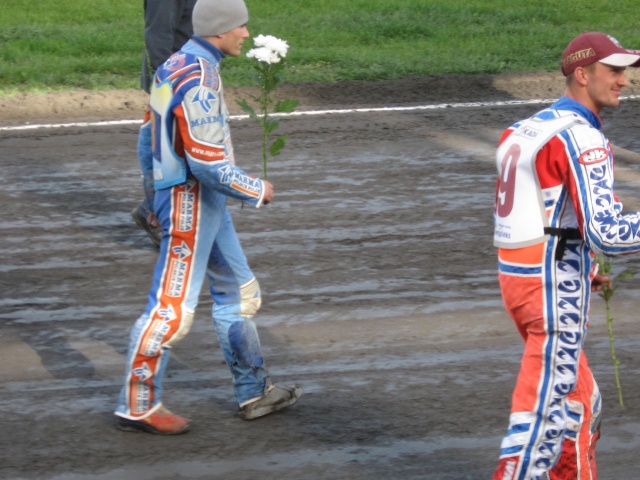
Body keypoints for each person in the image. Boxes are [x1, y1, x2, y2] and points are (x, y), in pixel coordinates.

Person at [115, 0, 302, 435]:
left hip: (196, 202)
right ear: (219, 29)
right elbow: (207, 164)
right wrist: (255, 189)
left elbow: (147, 140)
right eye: (241, 26)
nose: (246, 34)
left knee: (238, 292)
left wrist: (152, 198)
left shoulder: (173, 65)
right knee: (171, 311)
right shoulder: (200, 78)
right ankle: (137, 405)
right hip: (191, 206)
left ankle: (253, 392)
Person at [492, 32, 640, 479]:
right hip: (552, 292)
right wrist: (583, 260)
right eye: (614, 71)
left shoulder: (527, 127)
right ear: (582, 74)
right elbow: (607, 234)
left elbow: (536, 211)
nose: (625, 81)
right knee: (541, 427)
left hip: (522, 281)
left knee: (579, 406)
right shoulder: (583, 139)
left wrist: (585, 267)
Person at [131, 0, 197, 248]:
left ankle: (154, 210)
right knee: (161, 143)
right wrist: (165, 86)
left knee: (180, 147)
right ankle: (157, 214)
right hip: (174, 80)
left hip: (190, 75)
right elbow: (158, 35)